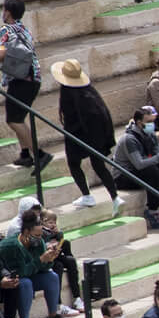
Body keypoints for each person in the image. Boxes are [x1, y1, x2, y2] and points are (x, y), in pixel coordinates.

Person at [0, 0, 49, 171]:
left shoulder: (6, 30)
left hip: (22, 81)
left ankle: (39, 154)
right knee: (18, 118)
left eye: (4, 9)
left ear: (8, 12)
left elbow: (1, 54)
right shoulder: (22, 28)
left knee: (14, 121)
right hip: (32, 79)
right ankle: (25, 155)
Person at [52, 59, 123, 208]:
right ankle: (115, 197)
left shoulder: (67, 91)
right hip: (96, 133)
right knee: (98, 165)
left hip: (78, 133)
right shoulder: (89, 90)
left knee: (73, 163)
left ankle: (86, 195)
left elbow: (69, 115)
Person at [0, 207, 67, 318]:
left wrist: (50, 259)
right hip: (11, 280)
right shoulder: (11, 246)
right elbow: (21, 272)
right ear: (26, 232)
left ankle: (53, 315)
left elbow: (44, 268)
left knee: (52, 277)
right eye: (36, 235)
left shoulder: (39, 242)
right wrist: (40, 260)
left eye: (41, 235)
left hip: (31, 274)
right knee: (26, 283)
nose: (40, 238)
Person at [113, 107, 159, 226]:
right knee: (152, 171)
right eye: (148, 122)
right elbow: (139, 164)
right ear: (139, 122)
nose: (151, 125)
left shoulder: (151, 135)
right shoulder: (129, 139)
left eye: (152, 122)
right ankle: (152, 211)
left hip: (141, 171)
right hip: (124, 176)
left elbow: (158, 155)